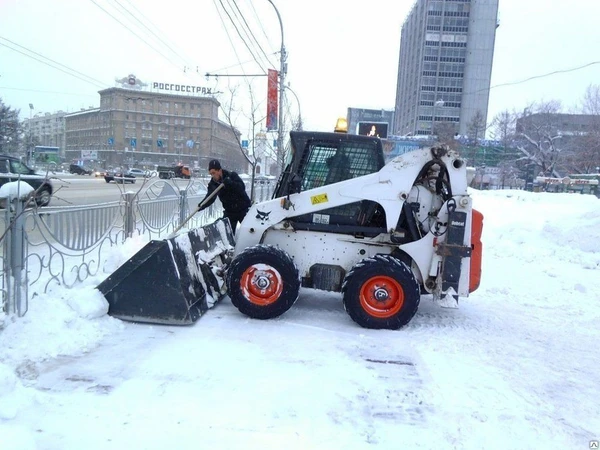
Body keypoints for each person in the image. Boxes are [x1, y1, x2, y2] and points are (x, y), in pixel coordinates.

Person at [198, 159, 251, 233]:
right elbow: (210, 197)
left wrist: (230, 183)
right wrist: (201, 205)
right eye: (211, 174)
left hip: (243, 209)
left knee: (250, 231)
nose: (213, 176)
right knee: (228, 233)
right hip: (230, 212)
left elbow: (241, 188)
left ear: (219, 170)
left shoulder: (232, 176)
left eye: (214, 173)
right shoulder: (213, 184)